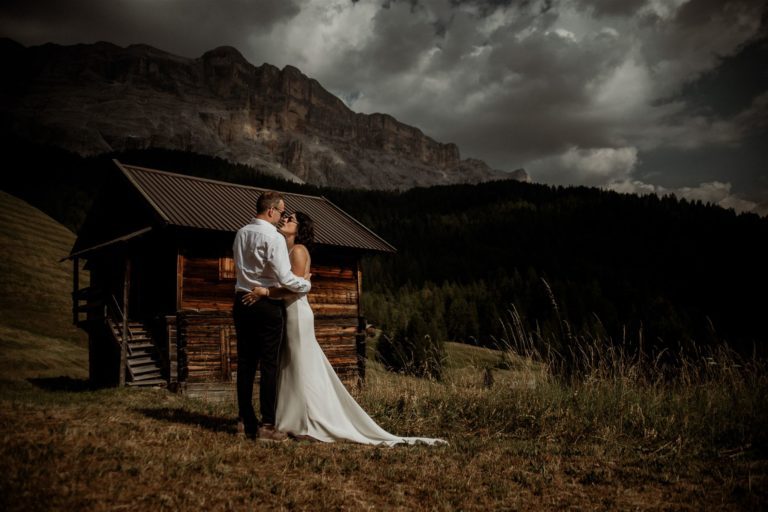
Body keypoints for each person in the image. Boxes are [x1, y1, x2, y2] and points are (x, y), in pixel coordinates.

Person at [242, 212, 446, 446]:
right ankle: (292, 419)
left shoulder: (298, 251)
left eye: (291, 219)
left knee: (299, 364)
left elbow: (296, 289)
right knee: (290, 365)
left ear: (300, 229)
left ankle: (309, 422)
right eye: (285, 216)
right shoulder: (286, 250)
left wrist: (267, 292)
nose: (285, 219)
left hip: (296, 313)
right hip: (287, 311)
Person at [232, 191, 311, 442]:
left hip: (241, 300)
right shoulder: (274, 238)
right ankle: (267, 425)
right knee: (269, 365)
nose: (281, 217)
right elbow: (286, 279)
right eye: (280, 212)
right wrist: (305, 285)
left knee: (245, 363)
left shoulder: (241, 233)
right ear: (270, 211)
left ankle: (244, 421)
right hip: (265, 304)